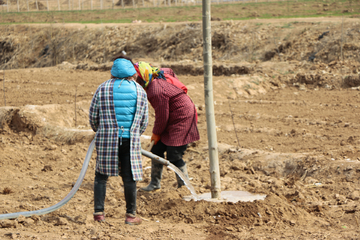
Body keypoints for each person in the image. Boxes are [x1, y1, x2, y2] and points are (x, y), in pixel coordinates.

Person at [89, 56, 148, 225]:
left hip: (107, 139)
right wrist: (136, 133)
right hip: (130, 140)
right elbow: (144, 120)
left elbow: (93, 116)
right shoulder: (139, 91)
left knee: (101, 176)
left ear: (113, 72)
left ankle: (99, 214)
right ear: (131, 72)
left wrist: (100, 131)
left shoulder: (103, 88)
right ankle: (130, 216)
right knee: (129, 178)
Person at [133, 61, 200, 192]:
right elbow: (169, 71)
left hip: (182, 118)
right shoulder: (155, 76)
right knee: (157, 149)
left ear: (143, 77)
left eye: (136, 79)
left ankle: (184, 187)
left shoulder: (155, 90)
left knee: (174, 155)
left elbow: (162, 116)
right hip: (171, 117)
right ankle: (154, 183)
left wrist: (156, 133)